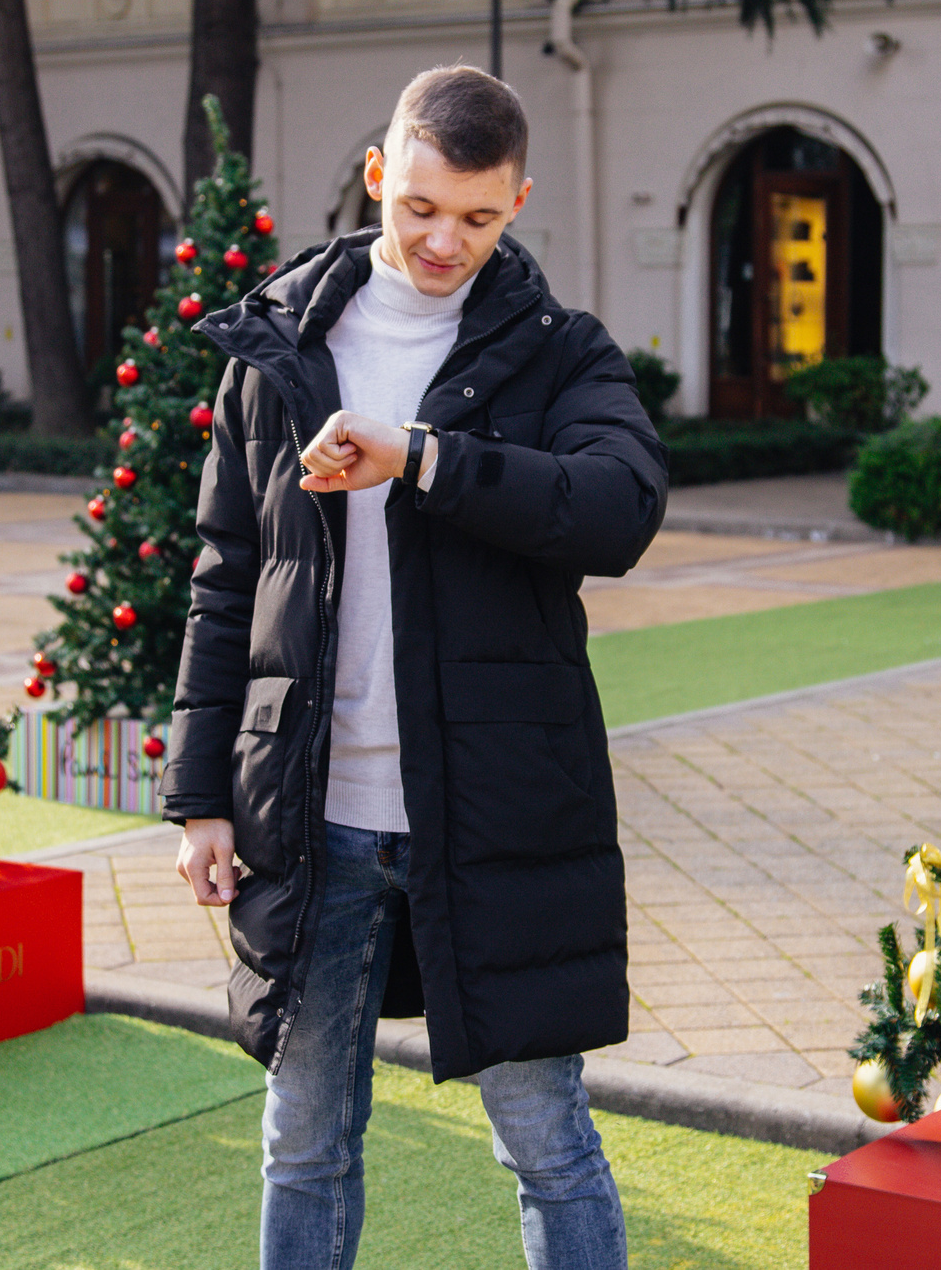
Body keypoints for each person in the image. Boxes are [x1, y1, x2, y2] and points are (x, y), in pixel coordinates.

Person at [163, 65, 668, 1270]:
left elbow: (619, 508)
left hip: (496, 812)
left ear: (518, 204)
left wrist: (426, 459)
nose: (446, 242)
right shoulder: (280, 344)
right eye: (421, 208)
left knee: (548, 1145)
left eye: (479, 218)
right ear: (378, 174)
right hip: (311, 814)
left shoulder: (557, 353)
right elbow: (228, 577)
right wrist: (197, 797)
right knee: (303, 1142)